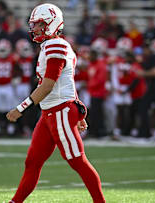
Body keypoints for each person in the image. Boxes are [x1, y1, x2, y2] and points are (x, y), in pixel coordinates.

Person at [6, 3, 105, 203]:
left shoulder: (56, 45)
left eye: (39, 24)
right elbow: (66, 82)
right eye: (34, 24)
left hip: (59, 110)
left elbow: (49, 85)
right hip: (49, 112)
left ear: (52, 24)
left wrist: (21, 108)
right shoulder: (50, 45)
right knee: (32, 162)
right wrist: (79, 110)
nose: (34, 28)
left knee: (77, 161)